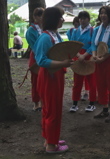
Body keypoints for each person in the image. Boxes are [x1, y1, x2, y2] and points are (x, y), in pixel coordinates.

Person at [33, 7, 73, 153]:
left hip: (56, 75)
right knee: (51, 110)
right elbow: (41, 60)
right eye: (61, 17)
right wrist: (63, 64)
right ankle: (51, 146)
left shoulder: (55, 34)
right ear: (54, 19)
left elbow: (62, 52)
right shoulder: (45, 37)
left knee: (53, 108)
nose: (63, 19)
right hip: (49, 77)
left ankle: (50, 139)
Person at [92, 6, 110, 123]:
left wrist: (102, 58)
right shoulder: (96, 29)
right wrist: (94, 55)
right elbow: (93, 44)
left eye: (105, 13)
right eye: (101, 13)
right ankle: (104, 109)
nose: (103, 15)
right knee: (100, 84)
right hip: (98, 60)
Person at [69, 11, 97, 112]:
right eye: (80, 18)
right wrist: (78, 55)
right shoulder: (75, 31)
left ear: (88, 19)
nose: (82, 20)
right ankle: (75, 103)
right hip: (78, 57)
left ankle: (92, 103)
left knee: (92, 80)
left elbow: (93, 44)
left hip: (89, 57)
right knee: (77, 81)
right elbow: (72, 44)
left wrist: (84, 55)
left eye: (84, 18)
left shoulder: (92, 31)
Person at [25, 7, 44, 112]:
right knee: (35, 81)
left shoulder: (44, 28)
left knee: (43, 80)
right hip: (36, 57)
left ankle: (42, 100)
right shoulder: (31, 30)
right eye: (39, 15)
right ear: (35, 17)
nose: (41, 18)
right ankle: (36, 102)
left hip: (44, 56)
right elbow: (34, 46)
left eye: (43, 16)